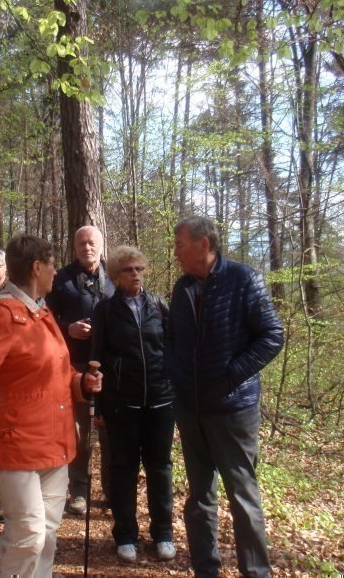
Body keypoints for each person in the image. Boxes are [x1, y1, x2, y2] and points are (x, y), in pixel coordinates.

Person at [0, 235, 103, 578]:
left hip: (54, 442)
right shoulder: (5, 312)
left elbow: (58, 369)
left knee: (47, 534)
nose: (57, 272)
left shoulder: (42, 310)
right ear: (37, 267)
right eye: (52, 264)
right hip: (15, 444)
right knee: (28, 534)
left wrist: (81, 383)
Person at [168, 216, 284, 578]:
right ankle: (206, 570)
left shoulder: (243, 279)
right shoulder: (182, 287)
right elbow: (175, 340)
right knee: (199, 499)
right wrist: (178, 378)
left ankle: (256, 572)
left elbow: (272, 335)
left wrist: (232, 375)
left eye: (180, 245)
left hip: (233, 410)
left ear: (204, 245)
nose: (176, 253)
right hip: (191, 409)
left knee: (242, 496)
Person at [91, 245, 175, 563]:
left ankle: (163, 533)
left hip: (160, 400)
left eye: (139, 268)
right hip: (121, 402)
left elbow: (172, 349)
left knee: (160, 468)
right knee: (123, 467)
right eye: (128, 270)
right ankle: (125, 534)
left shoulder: (159, 305)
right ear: (115, 276)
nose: (135, 274)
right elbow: (96, 359)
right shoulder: (105, 310)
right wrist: (98, 405)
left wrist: (174, 389)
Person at [45, 225, 114, 515]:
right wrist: (68, 328)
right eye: (82, 243)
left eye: (92, 243)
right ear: (75, 247)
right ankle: (79, 490)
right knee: (79, 432)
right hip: (73, 366)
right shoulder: (61, 279)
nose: (88, 247)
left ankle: (113, 492)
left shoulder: (115, 277)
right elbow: (45, 319)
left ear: (101, 245)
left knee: (111, 432)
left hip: (111, 365)